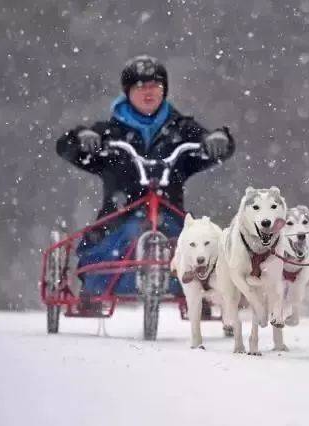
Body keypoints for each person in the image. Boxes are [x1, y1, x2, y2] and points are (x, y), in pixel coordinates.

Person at [56, 55, 234, 309]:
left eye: (155, 86)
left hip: (168, 213)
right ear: (128, 92)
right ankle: (95, 291)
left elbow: (212, 142)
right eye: (140, 86)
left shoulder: (181, 130)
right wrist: (81, 138)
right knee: (115, 241)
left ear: (164, 90)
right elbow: (67, 146)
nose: (148, 92)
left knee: (190, 244)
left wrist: (218, 140)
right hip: (120, 216)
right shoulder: (110, 132)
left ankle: (197, 291)